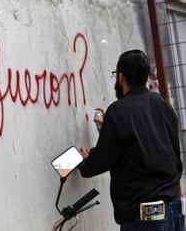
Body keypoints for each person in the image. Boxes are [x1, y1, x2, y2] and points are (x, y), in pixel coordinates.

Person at [78, 49, 184, 231]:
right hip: (174, 207)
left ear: (121, 76)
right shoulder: (162, 104)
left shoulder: (118, 112)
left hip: (145, 216)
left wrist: (85, 162)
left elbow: (103, 158)